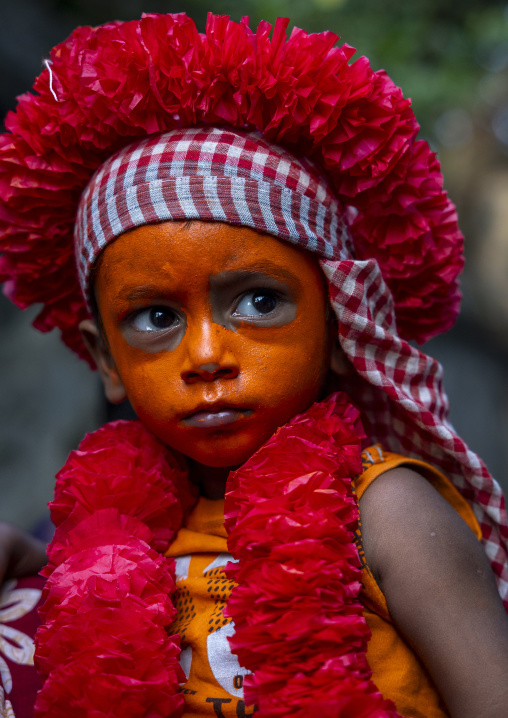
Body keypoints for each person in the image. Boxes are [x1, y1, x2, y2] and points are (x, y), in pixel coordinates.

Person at [0, 12, 508, 718]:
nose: (207, 356)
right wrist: (25, 566)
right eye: (155, 319)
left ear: (338, 326)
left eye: (260, 301)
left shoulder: (387, 513)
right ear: (104, 359)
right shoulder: (101, 533)